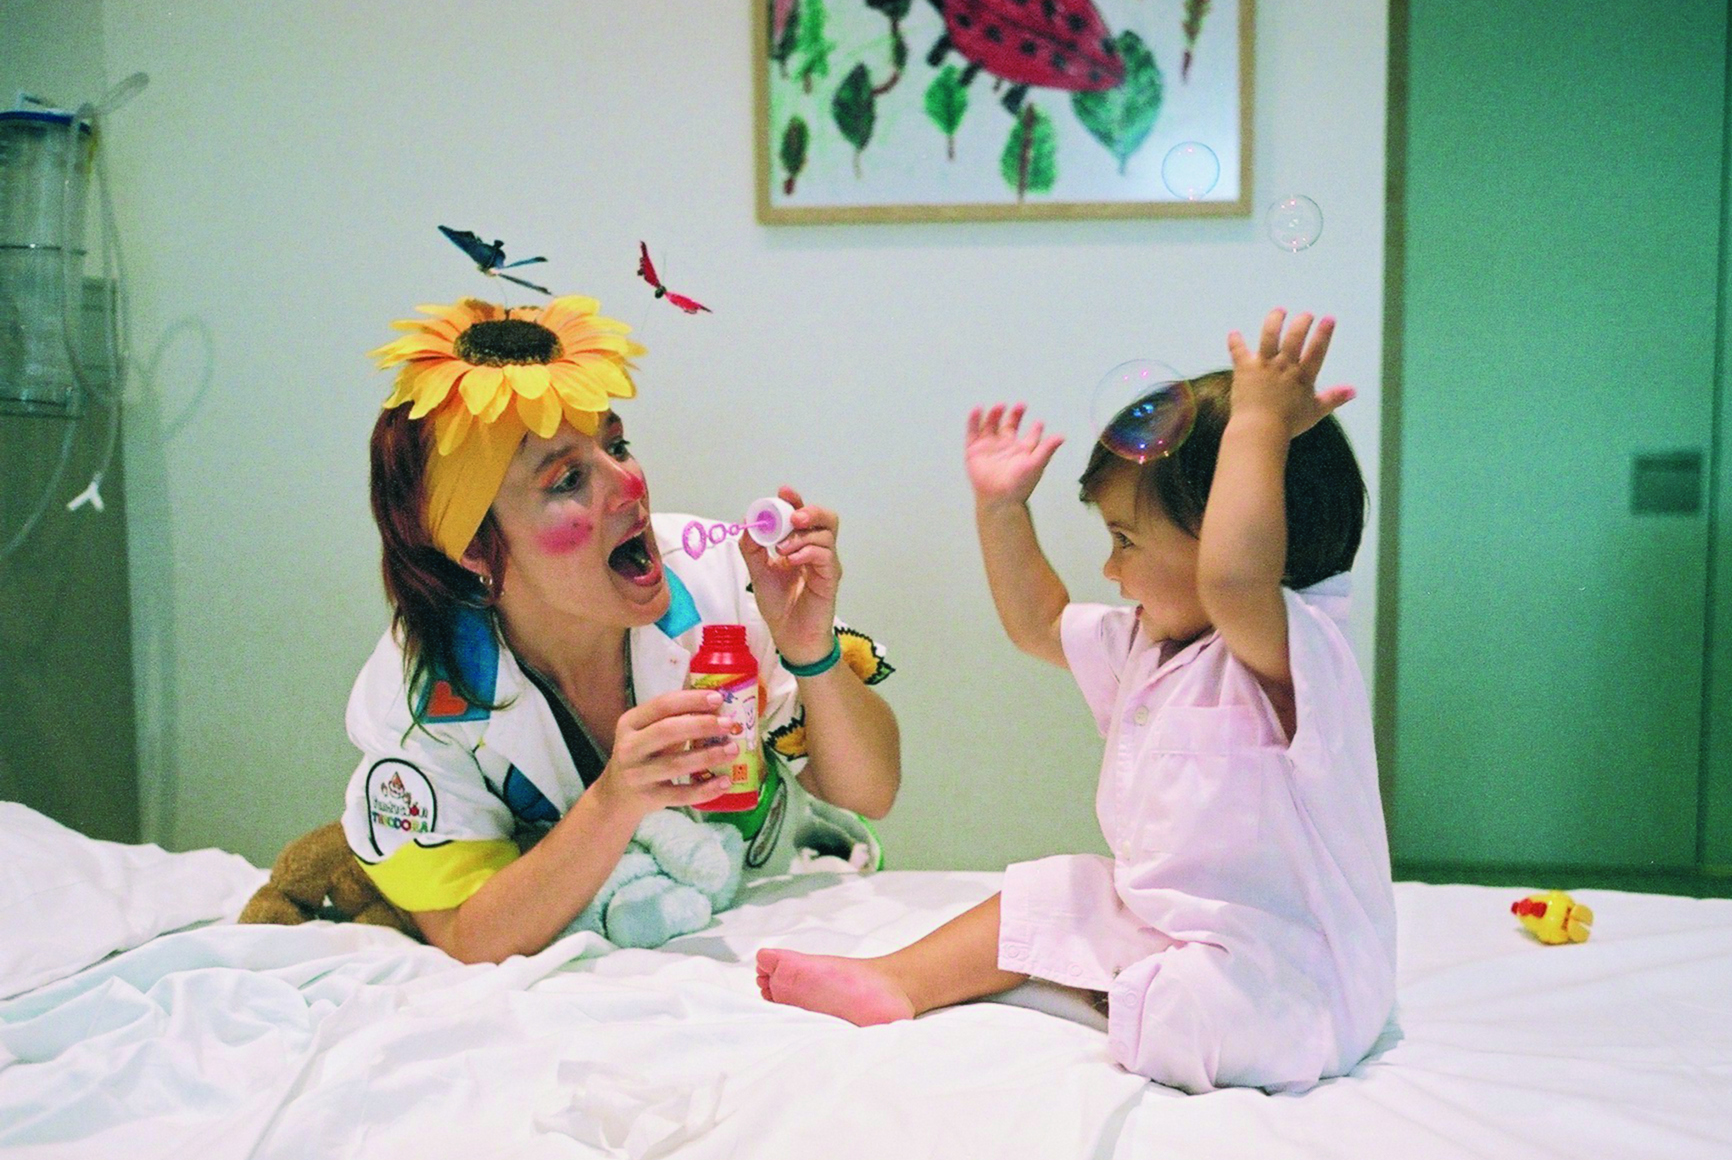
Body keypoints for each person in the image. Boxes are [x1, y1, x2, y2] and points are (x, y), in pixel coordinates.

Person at [756, 310, 1395, 1095]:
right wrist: (1001, 511)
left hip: (1290, 971)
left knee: (1184, 1011)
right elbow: (1039, 624)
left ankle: (1120, 994)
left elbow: (1236, 581)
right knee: (1063, 889)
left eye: (1129, 541)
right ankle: (898, 979)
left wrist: (1258, 423)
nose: (1111, 567)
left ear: (1246, 536)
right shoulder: (1154, 644)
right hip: (1175, 925)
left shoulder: (1294, 651)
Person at [342, 293, 900, 963]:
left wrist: (809, 654)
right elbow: (468, 936)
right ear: (472, 547)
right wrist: (614, 800)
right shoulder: (424, 694)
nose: (628, 485)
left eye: (616, 445)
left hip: (788, 928)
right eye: (568, 479)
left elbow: (872, 792)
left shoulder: (721, 576)